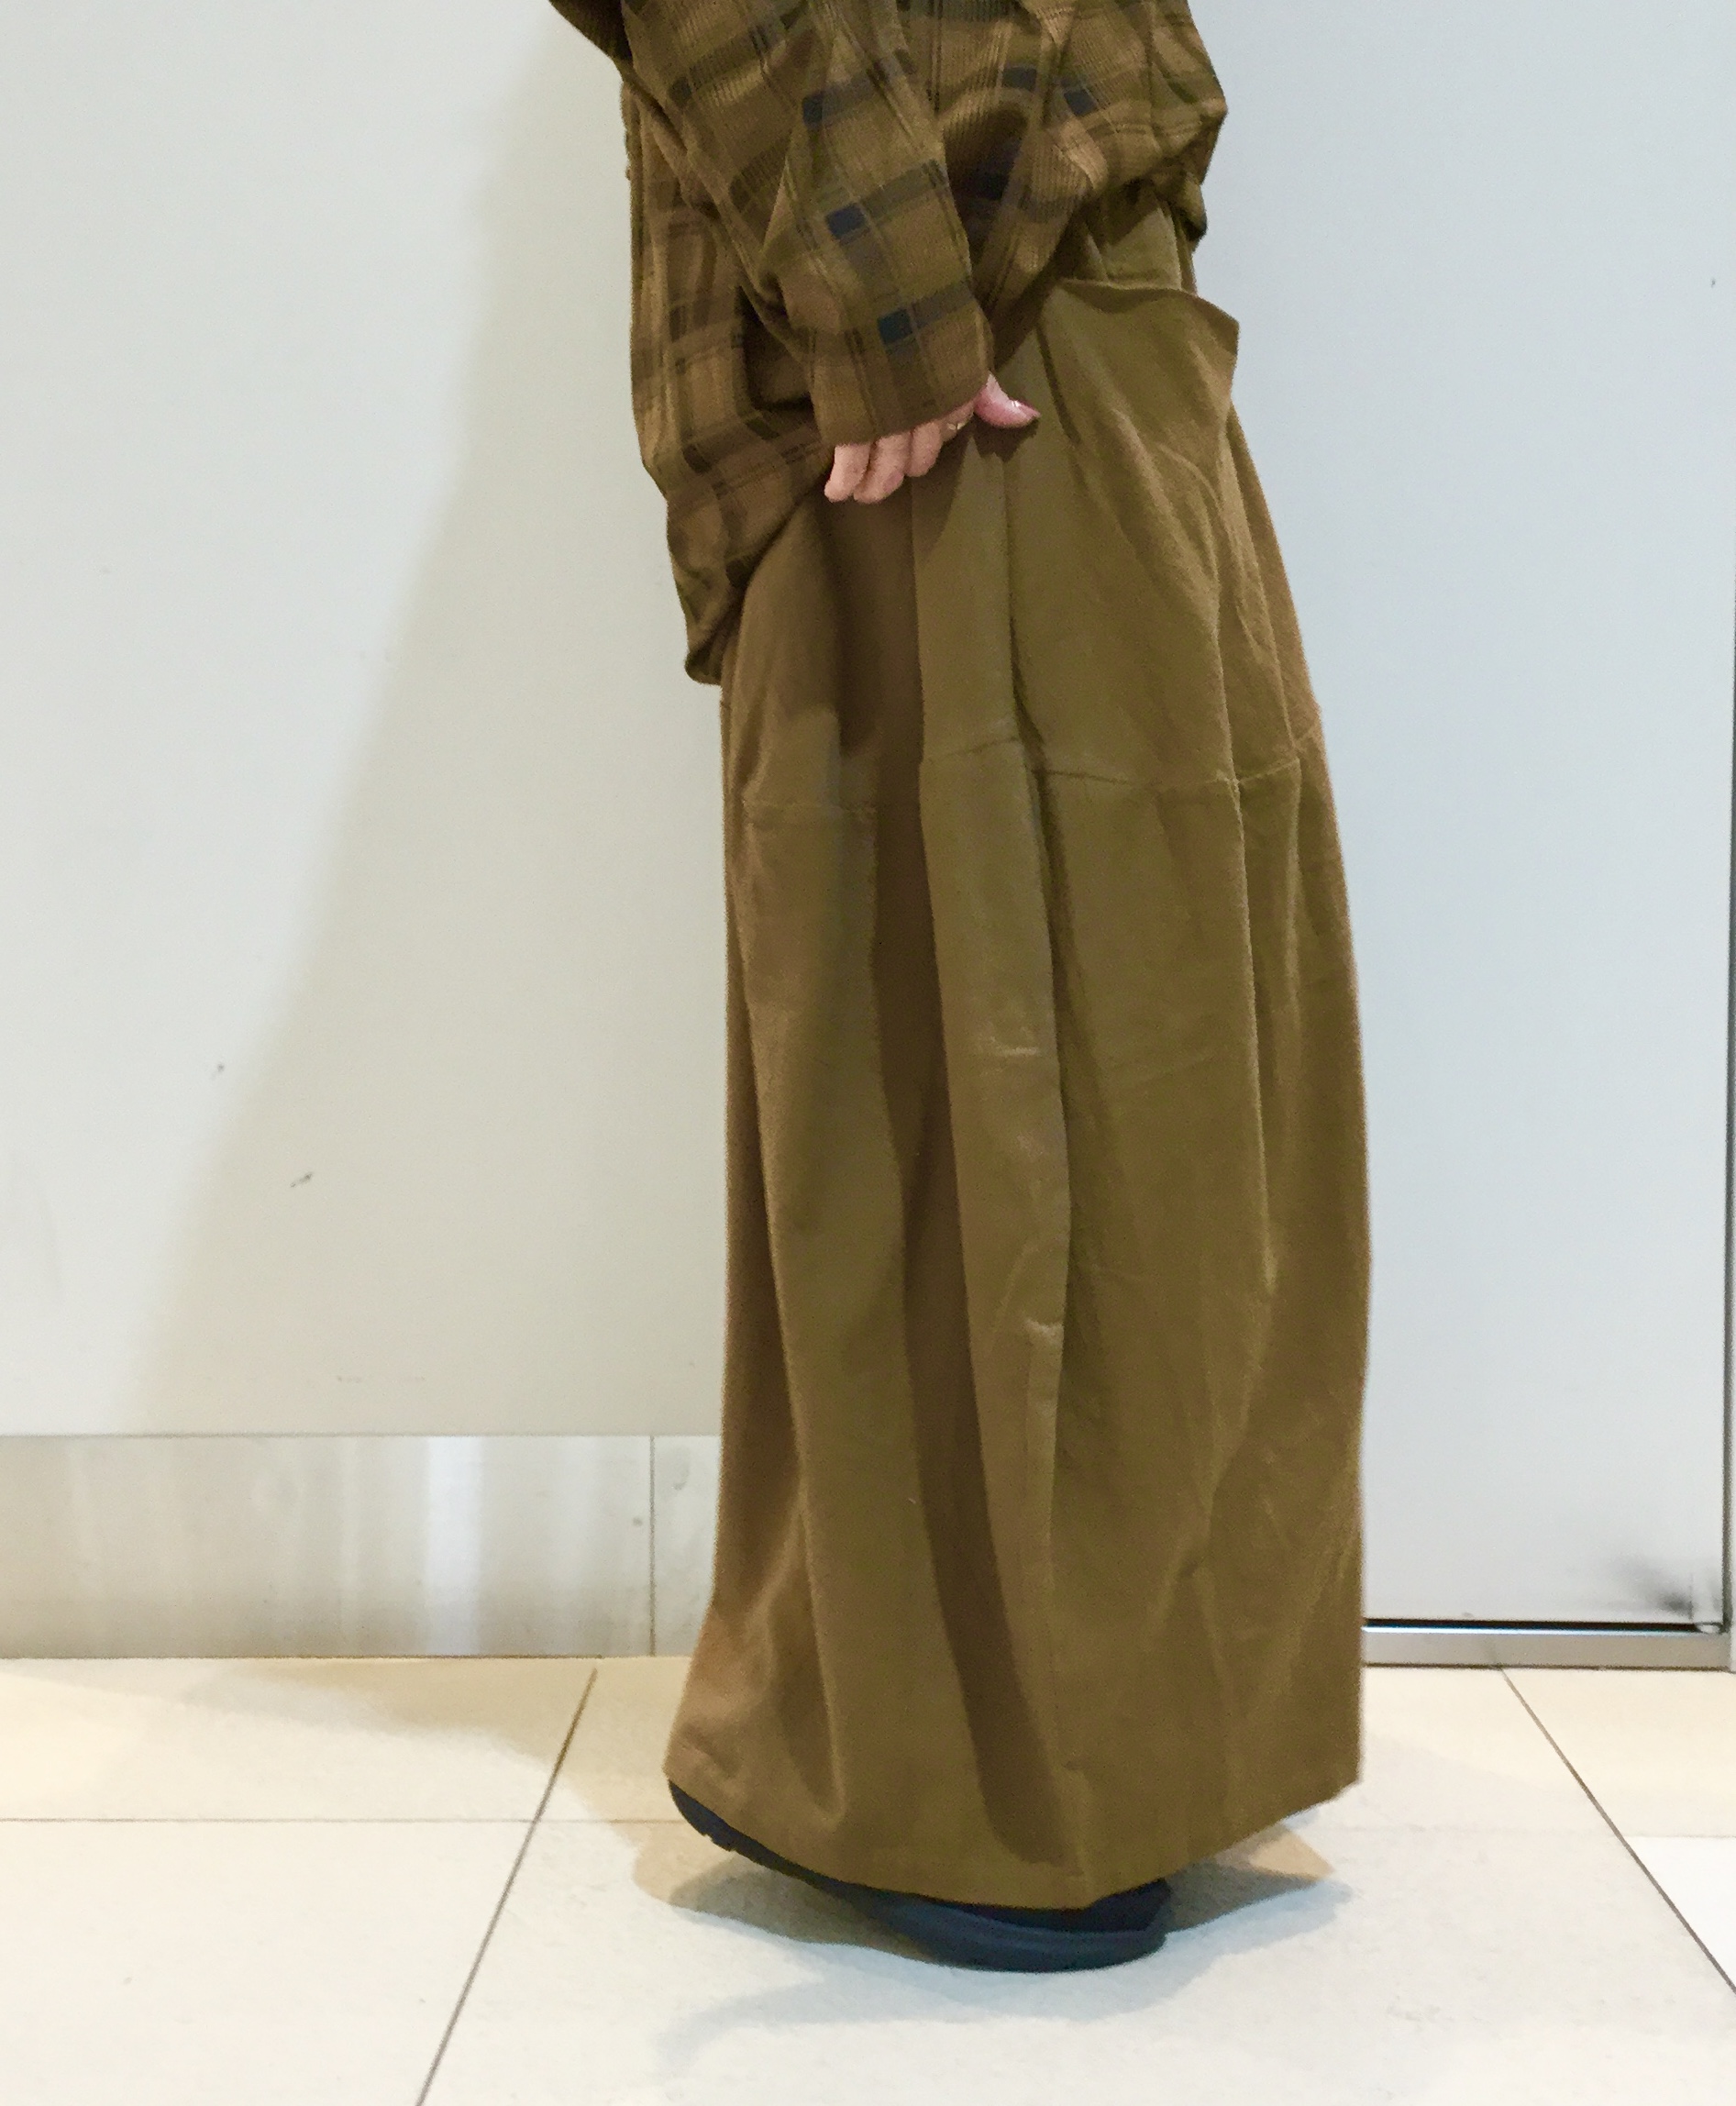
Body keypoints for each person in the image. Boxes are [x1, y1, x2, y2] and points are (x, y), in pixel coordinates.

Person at [547, 0, 1369, 1973]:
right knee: (987, 1057)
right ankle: (968, 1784)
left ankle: (1103, 1743)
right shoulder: (919, 319)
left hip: (1076, 319)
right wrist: (890, 305)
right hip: (959, 350)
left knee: (1150, 1055)